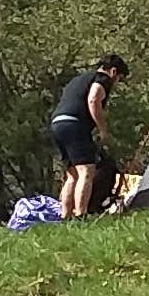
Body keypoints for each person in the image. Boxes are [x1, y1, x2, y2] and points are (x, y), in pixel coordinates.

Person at [52, 53, 128, 218]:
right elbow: (93, 99)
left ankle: (65, 215)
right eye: (119, 79)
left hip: (58, 123)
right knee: (87, 171)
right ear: (114, 72)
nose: (116, 83)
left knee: (72, 174)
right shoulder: (102, 79)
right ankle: (81, 215)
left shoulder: (79, 79)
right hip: (74, 124)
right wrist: (103, 129)